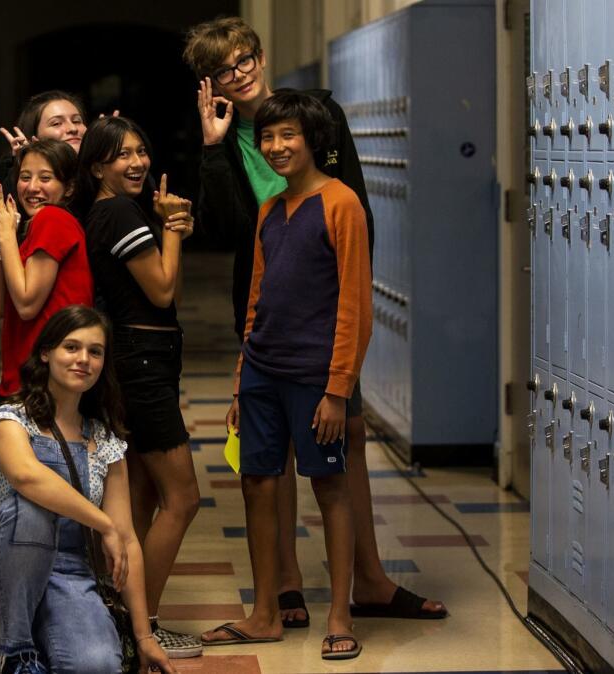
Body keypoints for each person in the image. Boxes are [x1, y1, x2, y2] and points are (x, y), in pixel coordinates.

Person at [183, 16, 446, 630]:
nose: (238, 74)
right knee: (263, 454)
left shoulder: (318, 115)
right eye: (222, 69)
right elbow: (222, 230)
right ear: (208, 84)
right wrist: (212, 144)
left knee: (344, 436)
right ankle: (285, 588)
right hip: (266, 303)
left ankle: (371, 581)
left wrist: (351, 307)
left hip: (326, 305)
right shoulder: (225, 136)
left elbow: (354, 205)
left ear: (260, 55)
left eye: (244, 59)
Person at [208, 91, 373, 660]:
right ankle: (264, 614)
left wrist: (338, 390)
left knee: (330, 488)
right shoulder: (270, 209)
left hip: (314, 377)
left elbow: (355, 305)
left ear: (313, 142)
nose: (276, 147)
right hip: (262, 373)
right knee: (257, 482)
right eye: (268, 138)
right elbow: (256, 302)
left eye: (288, 137)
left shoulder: (340, 203)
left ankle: (340, 614)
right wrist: (239, 382)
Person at [0, 305, 176, 674]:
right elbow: (28, 478)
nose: (83, 359)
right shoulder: (11, 419)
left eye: (95, 351)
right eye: (71, 347)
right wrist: (102, 524)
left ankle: (40, 645)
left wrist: (144, 637)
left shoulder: (104, 440)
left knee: (97, 666)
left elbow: (128, 541)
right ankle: (17, 655)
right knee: (33, 509)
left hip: (67, 576)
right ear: (46, 352)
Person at [0, 138, 95, 660]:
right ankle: (4, 610)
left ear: (68, 187)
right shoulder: (27, 230)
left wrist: (8, 236)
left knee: (20, 504)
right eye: (26, 176)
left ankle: (19, 622)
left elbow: (28, 300)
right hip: (18, 386)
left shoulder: (55, 222)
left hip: (48, 390)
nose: (34, 187)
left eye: (47, 177)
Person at [73, 117, 203, 659]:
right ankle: (137, 622)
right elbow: (163, 287)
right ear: (98, 166)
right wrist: (171, 229)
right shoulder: (120, 211)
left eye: (141, 151)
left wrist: (168, 229)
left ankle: (123, 618)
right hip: (141, 363)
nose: (137, 162)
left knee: (146, 497)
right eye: (122, 154)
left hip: (144, 359)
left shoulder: (112, 211)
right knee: (184, 498)